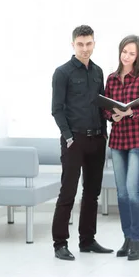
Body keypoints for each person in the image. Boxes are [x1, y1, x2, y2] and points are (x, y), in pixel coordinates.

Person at [51, 25, 113, 261]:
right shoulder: (62, 73)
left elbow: (101, 105)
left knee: (92, 193)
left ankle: (87, 240)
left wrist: (104, 133)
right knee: (68, 191)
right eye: (80, 44)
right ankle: (60, 243)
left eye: (89, 44)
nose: (85, 48)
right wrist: (68, 137)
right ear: (73, 44)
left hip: (97, 138)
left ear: (94, 43)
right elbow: (56, 110)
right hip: (74, 140)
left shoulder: (97, 72)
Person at [102, 35, 139, 261]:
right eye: (124, 51)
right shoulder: (112, 79)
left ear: (138, 56)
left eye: (132, 53)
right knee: (121, 193)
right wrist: (113, 114)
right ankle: (127, 238)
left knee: (133, 190)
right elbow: (104, 108)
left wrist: (129, 112)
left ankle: (137, 240)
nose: (127, 56)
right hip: (117, 140)